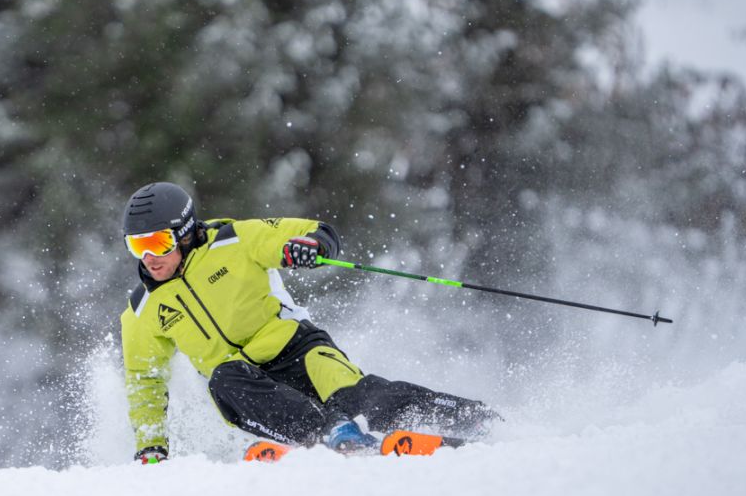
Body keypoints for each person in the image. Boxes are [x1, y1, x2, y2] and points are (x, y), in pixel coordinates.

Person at [119, 182, 499, 464]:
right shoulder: (142, 309)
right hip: (245, 386)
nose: (149, 257)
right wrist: (151, 446)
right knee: (223, 378)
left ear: (184, 233)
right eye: (137, 246)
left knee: (357, 396)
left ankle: (476, 419)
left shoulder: (235, 241)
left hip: (298, 348)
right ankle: (330, 434)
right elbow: (144, 380)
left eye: (158, 242)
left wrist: (312, 246)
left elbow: (316, 232)